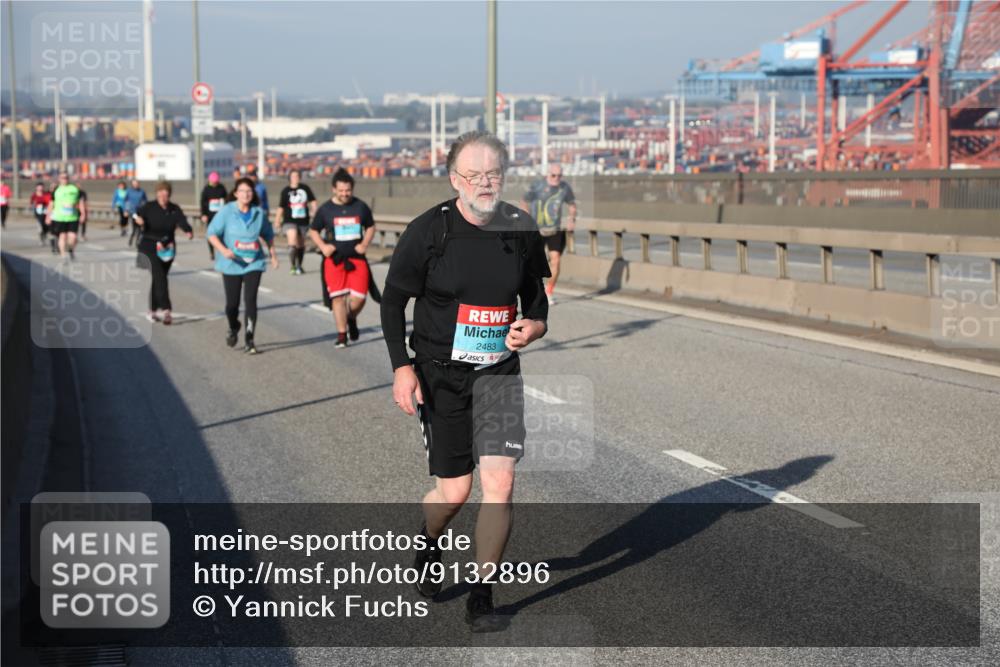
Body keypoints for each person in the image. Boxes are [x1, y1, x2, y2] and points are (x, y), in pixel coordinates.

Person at [380, 131, 550, 631]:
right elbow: (393, 303)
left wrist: (534, 326)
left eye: (492, 173)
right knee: (454, 492)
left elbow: (535, 299)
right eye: (473, 175)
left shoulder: (520, 229)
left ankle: (482, 596)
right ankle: (429, 540)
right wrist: (402, 367)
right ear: (455, 179)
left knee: (500, 482)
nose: (484, 183)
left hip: (498, 372)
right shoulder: (428, 232)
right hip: (440, 374)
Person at [207, 177, 279, 354]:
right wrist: (224, 251)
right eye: (242, 191)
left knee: (251, 301)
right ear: (235, 193)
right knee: (232, 305)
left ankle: (250, 339)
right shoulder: (226, 211)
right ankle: (234, 326)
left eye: (249, 191)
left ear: (253, 193)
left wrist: (273, 255)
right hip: (231, 263)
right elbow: (211, 233)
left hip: (253, 262)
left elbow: (268, 235)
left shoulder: (258, 213)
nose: (246, 194)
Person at [308, 168, 375, 348]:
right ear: (334, 189)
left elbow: (370, 227)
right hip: (334, 260)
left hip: (357, 259)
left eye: (348, 190)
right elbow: (313, 230)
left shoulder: (360, 206)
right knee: (337, 298)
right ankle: (342, 335)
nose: (345, 194)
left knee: (359, 298)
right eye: (341, 190)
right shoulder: (326, 209)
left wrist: (365, 244)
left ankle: (351, 317)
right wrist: (323, 246)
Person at [133, 181, 193, 325]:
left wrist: (188, 230)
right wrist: (138, 221)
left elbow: (182, 221)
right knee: (159, 277)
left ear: (169, 194)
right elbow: (136, 216)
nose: (163, 195)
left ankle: (152, 310)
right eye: (160, 192)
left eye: (166, 193)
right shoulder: (149, 207)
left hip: (167, 248)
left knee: (159, 278)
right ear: (157, 193)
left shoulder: (174, 208)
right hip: (149, 246)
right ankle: (166, 310)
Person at [519, 163, 577, 304]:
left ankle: (549, 292)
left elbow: (572, 205)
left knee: (556, 260)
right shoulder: (538, 186)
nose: (557, 178)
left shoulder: (564, 188)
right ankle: (530, 290)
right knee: (531, 262)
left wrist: (571, 220)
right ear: (547, 174)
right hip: (537, 229)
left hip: (554, 229)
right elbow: (524, 201)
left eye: (559, 175)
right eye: (553, 175)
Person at [275, 169, 317, 275]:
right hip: (289, 219)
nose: (295, 178)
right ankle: (293, 265)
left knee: (300, 244)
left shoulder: (305, 188)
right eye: (293, 176)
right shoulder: (285, 191)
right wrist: (277, 220)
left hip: (303, 220)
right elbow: (281, 207)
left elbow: (313, 201)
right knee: (292, 240)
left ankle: (299, 265)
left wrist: (315, 211)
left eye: (297, 176)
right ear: (289, 178)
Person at [45, 172, 87, 260]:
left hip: (72, 217)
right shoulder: (56, 190)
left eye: (66, 177)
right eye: (62, 178)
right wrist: (48, 216)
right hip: (59, 217)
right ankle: (63, 255)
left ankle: (70, 248)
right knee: (62, 236)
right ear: (59, 179)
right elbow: (51, 204)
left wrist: (83, 214)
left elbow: (80, 203)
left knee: (73, 237)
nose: (65, 179)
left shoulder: (74, 189)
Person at [200, 171, 228, 261]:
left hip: (221, 215)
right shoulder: (206, 189)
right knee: (210, 234)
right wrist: (203, 214)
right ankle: (211, 251)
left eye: (216, 182)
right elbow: (203, 203)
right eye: (213, 182)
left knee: (222, 234)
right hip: (210, 215)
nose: (215, 184)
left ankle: (222, 249)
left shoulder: (222, 188)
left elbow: (227, 199)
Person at [125, 179, 148, 247]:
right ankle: (131, 239)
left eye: (137, 184)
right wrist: (126, 210)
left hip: (140, 212)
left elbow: (145, 201)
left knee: (140, 227)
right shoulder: (129, 191)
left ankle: (137, 241)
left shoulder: (142, 191)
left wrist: (145, 208)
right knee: (134, 227)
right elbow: (126, 201)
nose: (136, 185)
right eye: (134, 184)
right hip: (133, 212)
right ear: (132, 184)